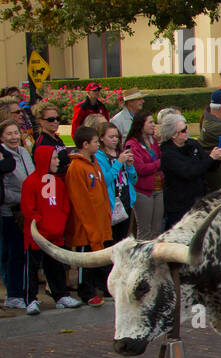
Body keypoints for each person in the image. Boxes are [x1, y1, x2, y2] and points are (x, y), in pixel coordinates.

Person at [20, 144, 80, 312]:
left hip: (55, 236)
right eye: (54, 158)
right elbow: (29, 209)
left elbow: (64, 205)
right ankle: (30, 300)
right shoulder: (30, 182)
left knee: (56, 268)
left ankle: (61, 295)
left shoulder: (58, 182)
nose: (57, 161)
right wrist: (42, 225)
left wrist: (60, 223)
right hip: (36, 237)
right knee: (32, 269)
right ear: (44, 160)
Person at [64, 126, 112, 304]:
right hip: (86, 226)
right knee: (86, 260)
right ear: (85, 144)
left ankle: (99, 288)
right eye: (95, 142)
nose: (98, 145)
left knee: (98, 258)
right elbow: (80, 201)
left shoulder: (94, 163)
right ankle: (86, 292)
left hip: (99, 222)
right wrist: (90, 226)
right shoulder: (76, 167)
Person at [159, 111, 221, 230]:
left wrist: (217, 159)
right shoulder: (168, 154)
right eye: (183, 130)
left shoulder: (192, 144)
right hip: (180, 205)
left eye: (186, 128)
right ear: (173, 135)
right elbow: (189, 172)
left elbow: (208, 167)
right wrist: (210, 158)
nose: (187, 132)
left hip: (199, 200)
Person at [1, 118, 34, 309]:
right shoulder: (3, 156)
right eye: (9, 134)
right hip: (11, 212)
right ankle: (13, 293)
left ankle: (22, 291)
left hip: (27, 210)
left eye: (16, 133)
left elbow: (31, 176)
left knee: (24, 253)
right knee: (14, 253)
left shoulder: (23, 151)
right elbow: (4, 189)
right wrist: (23, 197)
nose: (14, 137)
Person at [95, 120, 137, 245]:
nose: (115, 140)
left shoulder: (120, 153)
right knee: (110, 241)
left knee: (122, 240)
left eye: (117, 137)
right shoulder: (98, 157)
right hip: (111, 204)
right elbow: (105, 180)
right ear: (101, 138)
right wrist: (118, 163)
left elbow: (133, 180)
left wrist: (129, 166)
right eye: (111, 137)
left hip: (125, 201)